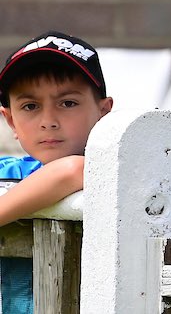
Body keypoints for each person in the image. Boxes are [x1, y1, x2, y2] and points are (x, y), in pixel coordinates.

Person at [0, 31, 113, 314]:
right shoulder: (10, 170)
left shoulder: (111, 171)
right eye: (30, 106)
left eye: (68, 103)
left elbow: (74, 169)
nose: (48, 121)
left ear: (104, 112)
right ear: (10, 120)